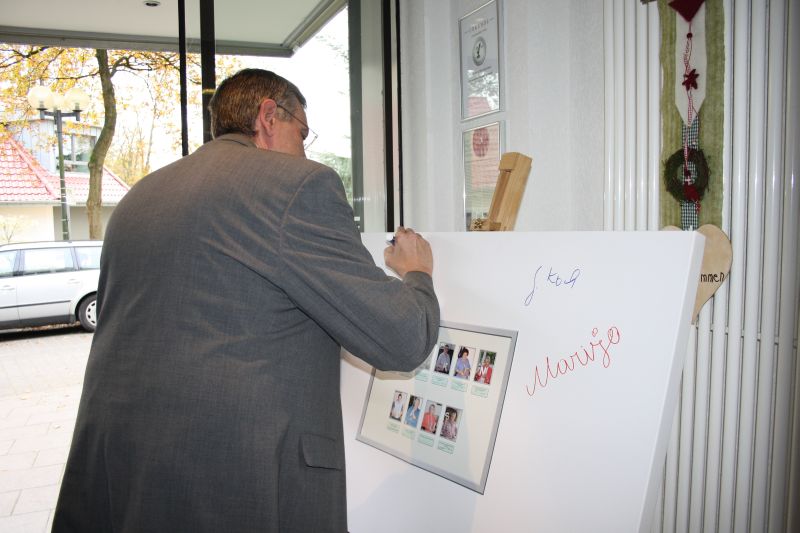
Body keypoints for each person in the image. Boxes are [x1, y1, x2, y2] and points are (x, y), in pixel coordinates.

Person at [52, 69, 440, 533]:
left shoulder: (141, 196)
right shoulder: (296, 187)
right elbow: (401, 337)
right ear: (269, 116)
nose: (305, 151)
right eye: (302, 134)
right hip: (237, 484)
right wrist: (417, 273)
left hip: (123, 473)